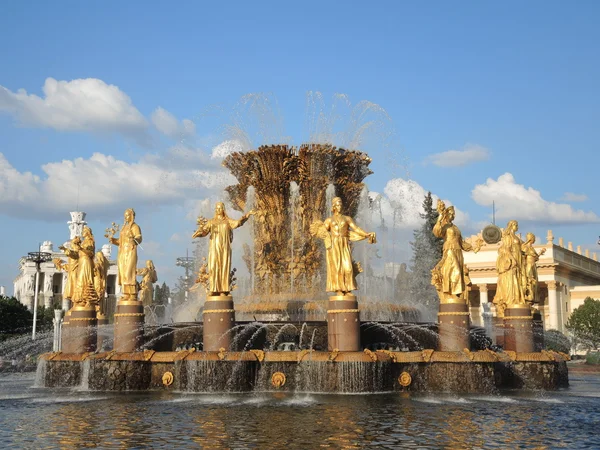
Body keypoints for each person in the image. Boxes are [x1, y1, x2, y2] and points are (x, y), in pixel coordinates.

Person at [312, 197, 376, 296]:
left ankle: (348, 289)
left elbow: (356, 228)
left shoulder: (347, 218)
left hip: (344, 243)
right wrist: (318, 230)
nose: (340, 206)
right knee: (337, 267)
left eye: (341, 204)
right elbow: (322, 231)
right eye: (337, 204)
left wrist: (366, 234)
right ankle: (339, 290)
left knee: (348, 267)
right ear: (333, 206)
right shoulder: (329, 220)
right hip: (334, 245)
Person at [192, 202, 254, 296]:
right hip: (214, 248)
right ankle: (213, 289)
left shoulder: (228, 221)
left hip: (225, 248)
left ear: (223, 209)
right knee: (213, 267)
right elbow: (204, 232)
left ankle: (223, 290)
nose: (218, 210)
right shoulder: (211, 222)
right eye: (216, 208)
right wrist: (198, 233)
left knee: (224, 267)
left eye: (220, 208)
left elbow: (238, 223)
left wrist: (247, 215)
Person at [431, 200, 482, 304]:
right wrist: (440, 217)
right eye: (451, 213)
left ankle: (455, 294)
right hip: (449, 250)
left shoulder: (455, 228)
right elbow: (437, 232)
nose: (453, 215)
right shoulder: (444, 226)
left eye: (453, 214)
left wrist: (473, 248)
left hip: (458, 251)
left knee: (458, 273)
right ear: (447, 214)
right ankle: (452, 292)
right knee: (455, 271)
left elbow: (462, 243)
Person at [494, 220, 526, 317]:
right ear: (511, 226)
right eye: (516, 225)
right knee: (512, 280)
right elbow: (506, 249)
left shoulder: (516, 237)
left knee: (520, 279)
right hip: (513, 260)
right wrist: (512, 259)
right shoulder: (508, 237)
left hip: (519, 259)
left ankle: (518, 298)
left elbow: (523, 248)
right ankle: (511, 298)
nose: (517, 227)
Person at [109, 208, 142, 300]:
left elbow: (139, 238)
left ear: (131, 216)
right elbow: (120, 241)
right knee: (123, 273)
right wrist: (113, 240)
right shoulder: (124, 228)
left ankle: (132, 294)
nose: (126, 217)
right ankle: (126, 293)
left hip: (130, 251)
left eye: (127, 215)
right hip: (123, 252)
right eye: (125, 216)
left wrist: (134, 239)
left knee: (129, 273)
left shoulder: (135, 226)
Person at [522, 232, 546, 305]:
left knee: (534, 283)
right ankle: (527, 296)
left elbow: (535, 258)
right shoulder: (524, 247)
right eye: (533, 239)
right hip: (528, 266)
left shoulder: (532, 248)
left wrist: (540, 253)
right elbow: (522, 257)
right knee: (529, 281)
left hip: (533, 266)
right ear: (530, 239)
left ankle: (531, 298)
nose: (534, 240)